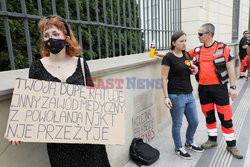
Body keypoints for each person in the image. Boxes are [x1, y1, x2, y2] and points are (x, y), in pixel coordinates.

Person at [8, 15, 110, 167]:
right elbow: (29, 102)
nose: (50, 39)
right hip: (59, 142)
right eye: (46, 35)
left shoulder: (81, 64)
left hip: (88, 138)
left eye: (55, 34)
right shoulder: (36, 67)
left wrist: (114, 112)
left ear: (67, 38)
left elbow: (92, 95)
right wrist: (16, 128)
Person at [188, 23, 243, 159]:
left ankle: (231, 144)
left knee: (225, 116)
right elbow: (182, 56)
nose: (198, 36)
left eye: (200, 34)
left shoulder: (222, 48)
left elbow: (230, 68)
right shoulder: (197, 50)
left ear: (209, 34)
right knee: (208, 115)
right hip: (203, 89)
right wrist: (164, 56)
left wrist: (233, 87)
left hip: (219, 88)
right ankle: (212, 140)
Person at [160, 31, 204, 160]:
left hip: (189, 94)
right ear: (174, 43)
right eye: (181, 41)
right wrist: (166, 97)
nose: (184, 43)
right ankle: (179, 147)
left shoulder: (186, 55)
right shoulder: (168, 57)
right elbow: (163, 78)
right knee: (177, 124)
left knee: (194, 121)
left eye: (185, 40)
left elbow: (187, 70)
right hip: (176, 95)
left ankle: (189, 142)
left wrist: (194, 70)